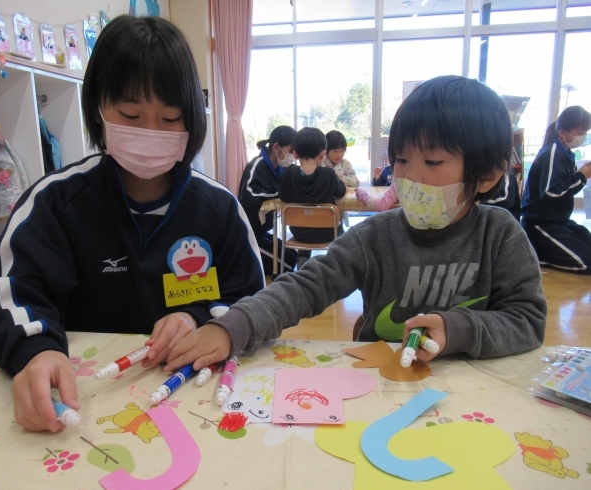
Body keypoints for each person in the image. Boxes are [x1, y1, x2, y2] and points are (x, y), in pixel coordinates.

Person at [0, 15, 264, 433]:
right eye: (130, 114)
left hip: (193, 402)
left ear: (192, 121)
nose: (150, 133)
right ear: (99, 110)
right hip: (88, 402)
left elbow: (253, 301)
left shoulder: (218, 209)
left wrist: (199, 316)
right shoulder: (56, 202)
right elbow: (9, 291)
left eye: (169, 120)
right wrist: (36, 351)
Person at [161, 75, 547, 373]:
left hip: (472, 389)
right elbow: (304, 286)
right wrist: (235, 324)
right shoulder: (375, 238)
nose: (409, 178)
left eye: (431, 163)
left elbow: (528, 321)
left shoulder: (500, 235)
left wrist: (460, 330)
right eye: (400, 160)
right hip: (380, 381)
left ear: (488, 174)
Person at [521, 105, 591, 273]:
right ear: (563, 132)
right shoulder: (552, 153)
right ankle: (537, 254)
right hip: (540, 224)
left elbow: (564, 188)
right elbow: (550, 193)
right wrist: (581, 176)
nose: (583, 137)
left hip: (560, 221)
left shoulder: (567, 153)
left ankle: (547, 250)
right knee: (587, 263)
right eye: (580, 132)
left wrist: (580, 176)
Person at [279, 127, 346, 268]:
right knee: (342, 232)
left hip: (299, 232)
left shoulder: (288, 174)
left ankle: (303, 267)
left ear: (295, 154)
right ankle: (336, 267)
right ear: (323, 154)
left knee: (306, 222)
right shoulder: (328, 175)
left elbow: (283, 197)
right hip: (328, 233)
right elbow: (341, 191)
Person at [238, 125, 298, 275]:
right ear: (276, 147)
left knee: (293, 255)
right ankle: (242, 261)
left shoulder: (281, 168)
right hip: (246, 232)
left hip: (260, 231)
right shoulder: (257, 164)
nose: (293, 156)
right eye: (291, 151)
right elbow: (249, 194)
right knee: (287, 264)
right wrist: (278, 193)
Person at [322, 130, 359, 227]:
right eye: (335, 151)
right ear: (326, 151)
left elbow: (356, 182)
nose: (339, 155)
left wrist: (340, 177)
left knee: (339, 231)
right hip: (324, 207)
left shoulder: (345, 164)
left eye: (342, 150)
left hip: (341, 207)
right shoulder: (321, 163)